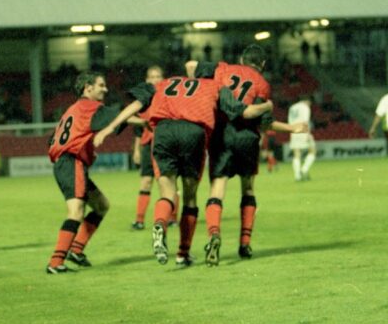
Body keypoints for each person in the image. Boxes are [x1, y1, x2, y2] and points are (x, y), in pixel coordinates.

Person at [95, 74, 273, 266]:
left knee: (167, 192)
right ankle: (183, 253)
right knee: (189, 197)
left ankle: (159, 224)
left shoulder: (164, 83)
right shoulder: (215, 86)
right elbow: (246, 112)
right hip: (193, 131)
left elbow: (135, 105)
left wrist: (109, 128)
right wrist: (267, 106)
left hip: (163, 131)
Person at [188, 44, 308, 266]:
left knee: (218, 188)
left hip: (221, 134)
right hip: (248, 138)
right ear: (262, 64)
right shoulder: (262, 84)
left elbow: (191, 67)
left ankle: (214, 233)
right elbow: (265, 124)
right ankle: (244, 243)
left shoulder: (223, 69)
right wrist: (293, 128)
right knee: (248, 189)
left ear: (242, 59)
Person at [44, 71, 127, 274]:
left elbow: (53, 140)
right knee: (76, 212)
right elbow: (117, 118)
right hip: (71, 163)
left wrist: (86, 151)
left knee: (101, 205)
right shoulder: (89, 106)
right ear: (87, 88)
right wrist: (146, 120)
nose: (105, 89)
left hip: (68, 162)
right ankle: (55, 263)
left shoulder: (73, 109)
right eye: (101, 85)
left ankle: (76, 250)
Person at [127, 65, 166, 230]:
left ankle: (171, 218)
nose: (155, 79)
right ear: (147, 80)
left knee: (167, 182)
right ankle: (140, 220)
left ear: (163, 79)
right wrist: (136, 150)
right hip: (146, 145)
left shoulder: (168, 97)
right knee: (146, 181)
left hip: (164, 144)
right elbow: (138, 129)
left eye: (158, 76)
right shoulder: (141, 101)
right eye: (152, 77)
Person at [288, 96, 316, 181]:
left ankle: (297, 175)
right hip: (303, 131)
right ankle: (304, 169)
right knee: (312, 151)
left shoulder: (292, 107)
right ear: (308, 101)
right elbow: (305, 120)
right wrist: (307, 133)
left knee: (296, 154)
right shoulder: (305, 107)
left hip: (294, 130)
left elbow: (289, 120)